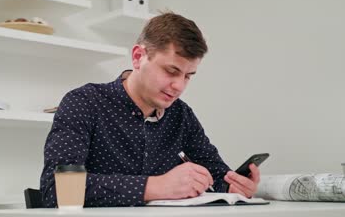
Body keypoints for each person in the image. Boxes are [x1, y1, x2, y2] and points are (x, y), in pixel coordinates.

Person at [40, 12, 260, 207]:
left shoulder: (182, 116)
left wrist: (235, 187)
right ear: (138, 57)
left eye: (188, 76)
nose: (179, 86)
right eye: (171, 71)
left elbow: (218, 175)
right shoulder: (84, 103)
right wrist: (155, 186)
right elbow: (55, 189)